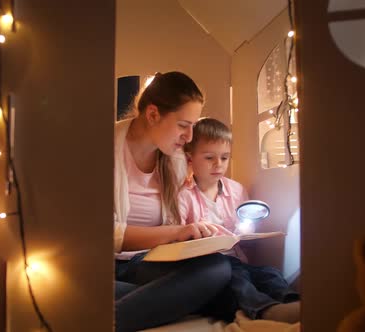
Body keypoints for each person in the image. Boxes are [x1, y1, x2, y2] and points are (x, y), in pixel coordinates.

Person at [113, 72, 233, 332]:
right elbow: (106, 235)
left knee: (220, 268)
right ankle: (110, 320)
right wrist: (177, 232)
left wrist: (195, 234)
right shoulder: (107, 149)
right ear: (153, 114)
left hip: (150, 262)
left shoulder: (175, 160)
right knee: (214, 288)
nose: (189, 137)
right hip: (112, 263)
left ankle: (144, 300)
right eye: (183, 125)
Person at [179, 117, 301, 323]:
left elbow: (246, 227)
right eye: (209, 158)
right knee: (237, 279)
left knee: (269, 273)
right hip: (208, 267)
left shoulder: (236, 190)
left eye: (225, 158)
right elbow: (178, 240)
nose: (218, 164)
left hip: (238, 259)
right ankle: (265, 310)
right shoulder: (183, 194)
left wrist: (248, 231)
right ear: (190, 159)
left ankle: (292, 301)